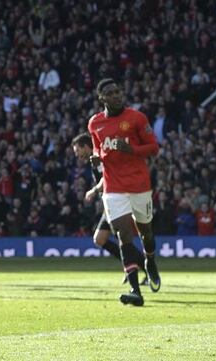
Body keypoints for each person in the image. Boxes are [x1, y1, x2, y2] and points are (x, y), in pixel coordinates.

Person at [87, 79, 161, 307]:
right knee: (122, 235)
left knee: (146, 232)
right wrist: (97, 157)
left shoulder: (137, 118)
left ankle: (149, 260)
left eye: (118, 91)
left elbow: (153, 148)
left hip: (139, 185)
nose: (117, 95)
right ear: (103, 98)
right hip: (113, 187)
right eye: (111, 93)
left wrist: (131, 149)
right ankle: (135, 290)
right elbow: (98, 147)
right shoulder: (95, 123)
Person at [73, 133, 147, 285]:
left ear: (85, 147)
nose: (77, 155)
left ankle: (140, 269)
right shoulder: (94, 159)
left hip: (119, 201)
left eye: (77, 151)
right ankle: (134, 267)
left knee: (112, 239)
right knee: (102, 239)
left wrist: (93, 191)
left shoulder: (98, 156)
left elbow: (107, 178)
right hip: (113, 202)